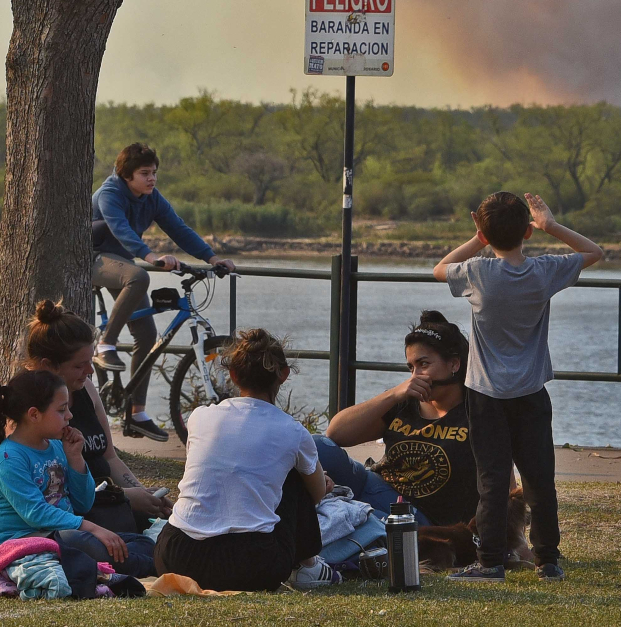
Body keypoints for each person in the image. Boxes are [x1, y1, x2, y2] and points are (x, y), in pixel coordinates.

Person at [434, 192, 603, 583]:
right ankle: (548, 561)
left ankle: (490, 561)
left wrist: (479, 238)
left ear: (484, 230)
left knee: (492, 479)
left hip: (485, 394)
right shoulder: (544, 271)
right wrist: (552, 226)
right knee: (539, 478)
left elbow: (440, 268)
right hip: (530, 393)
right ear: (528, 230)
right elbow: (593, 251)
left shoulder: (477, 272)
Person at [154, 329, 339, 592]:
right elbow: (317, 493)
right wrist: (319, 480)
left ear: (233, 375)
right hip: (252, 564)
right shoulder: (292, 431)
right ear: (283, 375)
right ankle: (308, 567)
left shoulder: (199, 417)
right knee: (295, 474)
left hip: (176, 555)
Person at [91, 142, 236, 441]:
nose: (152, 179)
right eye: (144, 173)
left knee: (146, 335)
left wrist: (212, 258)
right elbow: (121, 230)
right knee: (139, 277)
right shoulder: (110, 193)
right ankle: (105, 345)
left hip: (122, 261)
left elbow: (178, 228)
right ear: (126, 175)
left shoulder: (151, 198)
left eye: (154, 173)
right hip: (92, 257)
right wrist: (150, 257)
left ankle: (136, 413)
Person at [0, 370, 156, 577]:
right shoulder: (9, 458)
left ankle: (143, 561)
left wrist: (75, 459)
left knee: (140, 541)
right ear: (34, 415)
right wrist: (90, 528)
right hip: (19, 541)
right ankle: (152, 566)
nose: (69, 416)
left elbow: (83, 503)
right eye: (62, 410)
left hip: (59, 534)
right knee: (83, 541)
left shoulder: (56, 447)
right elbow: (35, 514)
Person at [13, 299, 173, 531]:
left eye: (90, 362)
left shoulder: (85, 387)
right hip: (69, 509)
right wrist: (125, 496)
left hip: (108, 499)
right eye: (80, 366)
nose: (89, 372)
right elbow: (48, 488)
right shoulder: (29, 406)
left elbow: (109, 458)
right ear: (48, 365)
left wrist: (145, 495)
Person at [315, 311, 479, 527]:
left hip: (421, 518)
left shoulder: (476, 413)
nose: (415, 376)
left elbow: (501, 480)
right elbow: (335, 434)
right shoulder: (405, 403)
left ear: (454, 365)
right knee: (315, 446)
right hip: (373, 485)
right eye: (411, 367)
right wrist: (393, 394)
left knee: (367, 523)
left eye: (424, 364)